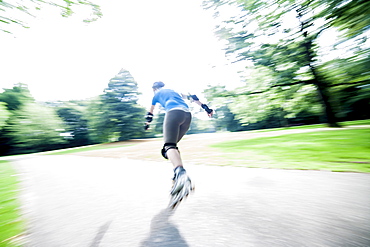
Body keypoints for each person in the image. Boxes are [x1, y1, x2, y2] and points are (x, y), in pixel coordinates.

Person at [145, 81, 214, 208]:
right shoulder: (174, 91)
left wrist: (147, 125)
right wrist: (206, 108)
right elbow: (193, 97)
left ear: (154, 88)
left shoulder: (156, 95)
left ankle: (181, 175)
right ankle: (177, 177)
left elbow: (150, 114)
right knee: (171, 149)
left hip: (173, 113)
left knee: (169, 146)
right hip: (187, 116)